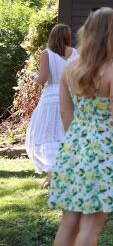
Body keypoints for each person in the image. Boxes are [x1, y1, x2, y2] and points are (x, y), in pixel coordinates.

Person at [48, 7, 113, 245]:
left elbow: (65, 111)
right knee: (91, 226)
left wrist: (77, 141)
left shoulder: (70, 67)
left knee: (68, 221)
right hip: (101, 149)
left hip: (73, 146)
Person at [25, 24, 78, 188]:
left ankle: (52, 174)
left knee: (48, 136)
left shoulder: (46, 53)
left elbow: (42, 79)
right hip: (69, 96)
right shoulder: (75, 53)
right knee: (66, 134)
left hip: (50, 98)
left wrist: (33, 74)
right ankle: (65, 173)